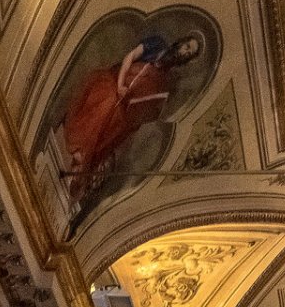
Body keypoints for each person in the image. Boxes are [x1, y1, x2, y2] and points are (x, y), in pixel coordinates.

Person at [53, 34, 205, 210]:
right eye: (187, 47)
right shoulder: (157, 44)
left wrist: (139, 111)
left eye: (189, 54)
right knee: (108, 105)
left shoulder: (166, 81)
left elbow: (149, 110)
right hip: (114, 84)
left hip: (127, 110)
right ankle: (80, 151)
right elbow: (130, 57)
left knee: (119, 127)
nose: (185, 53)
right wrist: (120, 85)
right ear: (181, 42)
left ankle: (82, 164)